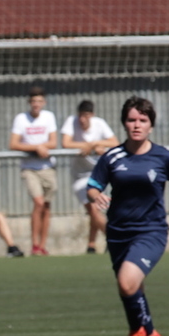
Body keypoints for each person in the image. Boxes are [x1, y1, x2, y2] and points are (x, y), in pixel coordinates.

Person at [87, 96, 169, 336]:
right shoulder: (112, 156)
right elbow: (93, 185)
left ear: (151, 125)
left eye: (142, 120)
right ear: (124, 123)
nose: (137, 125)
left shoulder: (163, 156)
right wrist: (96, 195)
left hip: (150, 231)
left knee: (126, 281)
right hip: (118, 232)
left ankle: (137, 331)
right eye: (132, 120)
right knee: (131, 287)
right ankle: (151, 335)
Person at [61, 100, 119, 254]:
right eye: (80, 115)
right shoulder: (71, 122)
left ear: (92, 115)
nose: (82, 119)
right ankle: (114, 239)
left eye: (86, 116)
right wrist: (85, 146)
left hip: (98, 175)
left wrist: (93, 144)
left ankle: (91, 245)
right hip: (80, 177)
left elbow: (115, 142)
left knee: (96, 209)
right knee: (93, 208)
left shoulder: (99, 123)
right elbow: (65, 143)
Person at [9, 86, 58, 256]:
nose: (36, 104)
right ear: (29, 102)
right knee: (38, 203)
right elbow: (13, 144)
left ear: (44, 102)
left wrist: (42, 147)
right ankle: (34, 244)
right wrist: (36, 147)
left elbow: (53, 142)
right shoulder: (21, 119)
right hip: (29, 168)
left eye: (39, 101)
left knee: (46, 206)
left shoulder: (49, 117)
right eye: (34, 101)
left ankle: (42, 246)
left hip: (47, 167)